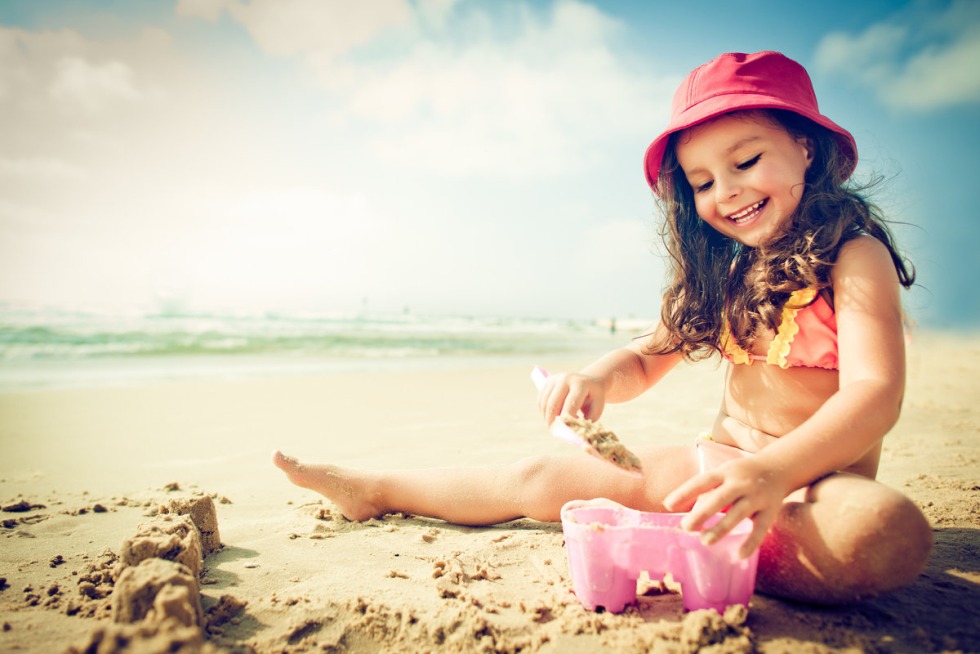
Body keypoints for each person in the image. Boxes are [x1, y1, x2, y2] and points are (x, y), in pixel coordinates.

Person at [273, 51, 932, 605]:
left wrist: (771, 476)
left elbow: (874, 395)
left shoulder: (853, 255)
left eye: (746, 161)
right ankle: (378, 489)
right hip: (714, 466)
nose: (725, 191)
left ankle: (713, 541)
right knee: (538, 478)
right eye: (702, 182)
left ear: (806, 148)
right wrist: (594, 380)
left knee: (887, 530)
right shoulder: (732, 277)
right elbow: (646, 358)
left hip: (810, 485)